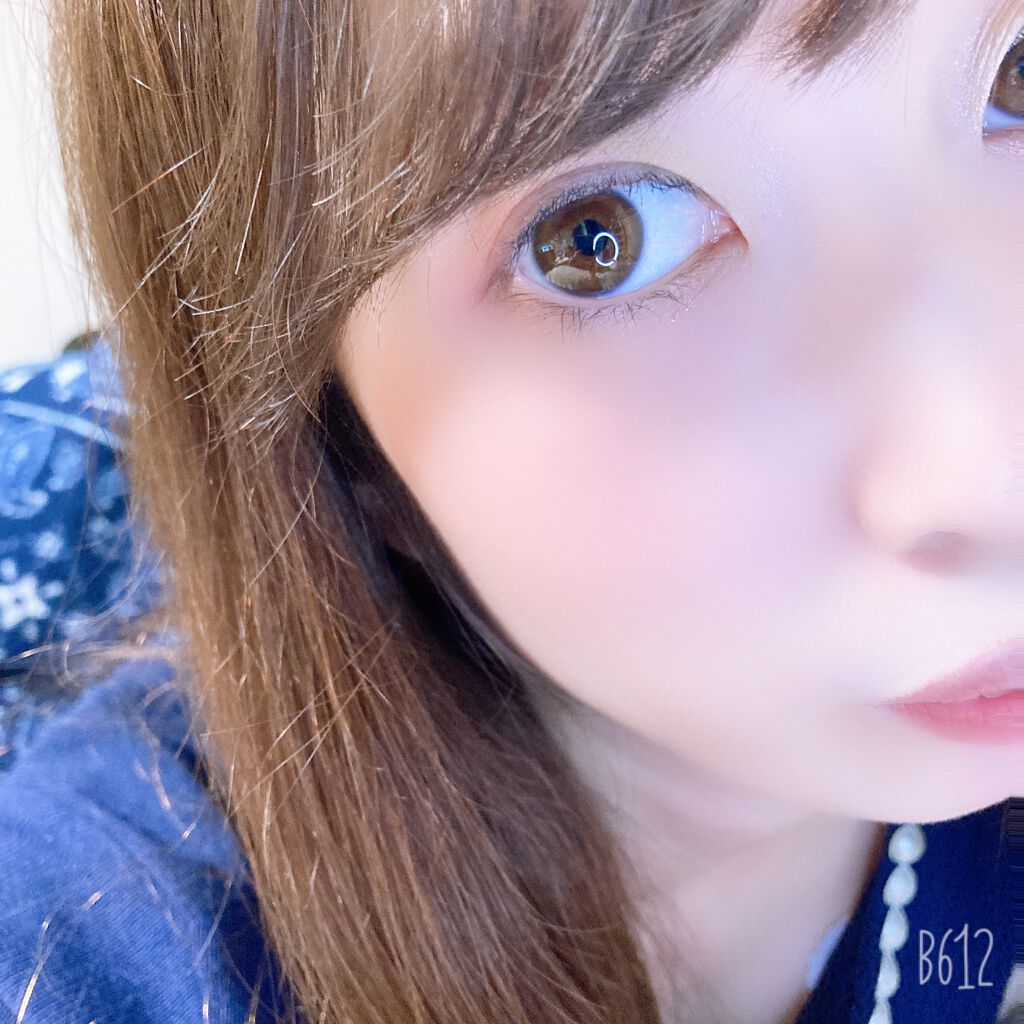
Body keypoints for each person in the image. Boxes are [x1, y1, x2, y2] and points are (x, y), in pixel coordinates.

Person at [1, 0, 1020, 1020]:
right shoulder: (102, 952)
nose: (997, 481)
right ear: (343, 445)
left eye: (1015, 73)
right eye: (601, 238)